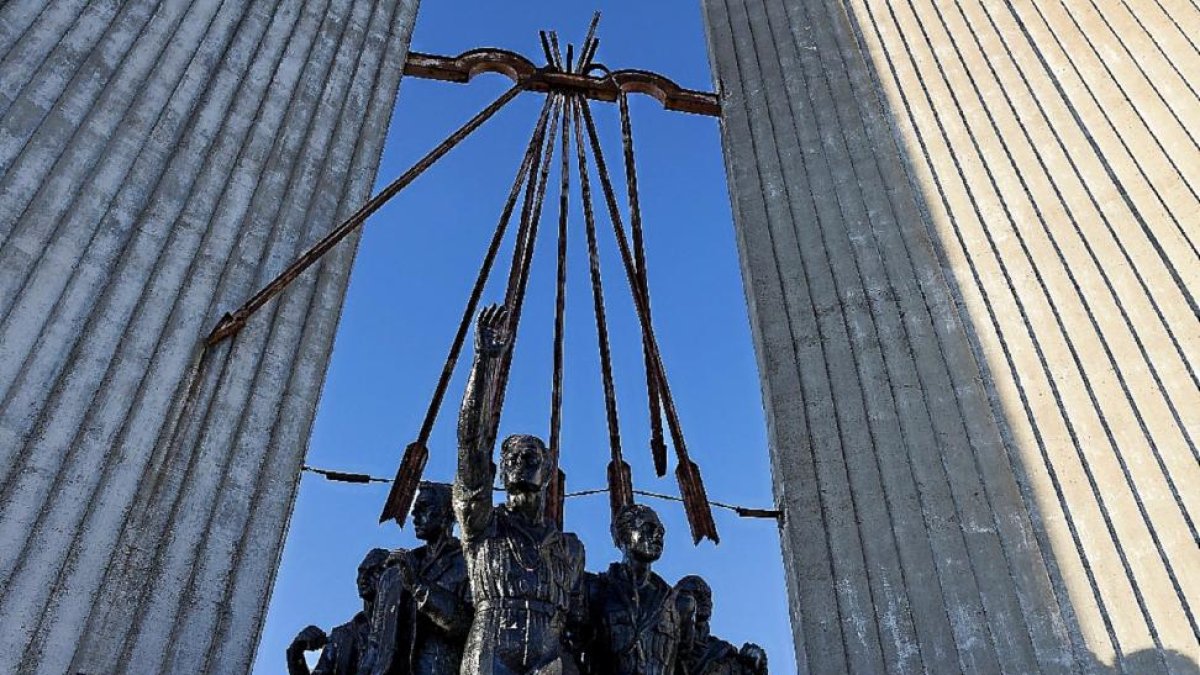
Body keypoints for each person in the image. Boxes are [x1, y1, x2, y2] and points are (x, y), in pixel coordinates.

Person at [454, 305, 586, 674]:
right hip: (492, 647)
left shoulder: (571, 548)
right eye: (510, 458)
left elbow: (582, 625)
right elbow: (469, 445)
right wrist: (483, 362)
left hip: (549, 652)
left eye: (530, 457)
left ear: (548, 472)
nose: (519, 463)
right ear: (498, 473)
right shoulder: (482, 524)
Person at [365, 481, 471, 674]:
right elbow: (375, 643)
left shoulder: (467, 563)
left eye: (424, 508)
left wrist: (417, 585)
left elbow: (468, 625)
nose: (414, 515)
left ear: (449, 514)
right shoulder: (396, 570)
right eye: (414, 509)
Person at [579, 503, 685, 675]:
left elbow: (687, 661)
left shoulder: (676, 603)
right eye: (648, 528)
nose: (657, 535)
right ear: (624, 535)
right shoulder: (595, 589)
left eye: (661, 531)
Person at [287, 548, 389, 675]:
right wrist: (295, 654)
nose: (364, 578)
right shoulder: (341, 636)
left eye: (374, 571)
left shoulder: (402, 627)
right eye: (361, 572)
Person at [675, 576, 767, 675]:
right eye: (698, 595)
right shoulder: (672, 642)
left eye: (707, 596)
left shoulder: (720, 649)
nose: (706, 602)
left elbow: (753, 666)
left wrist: (757, 659)